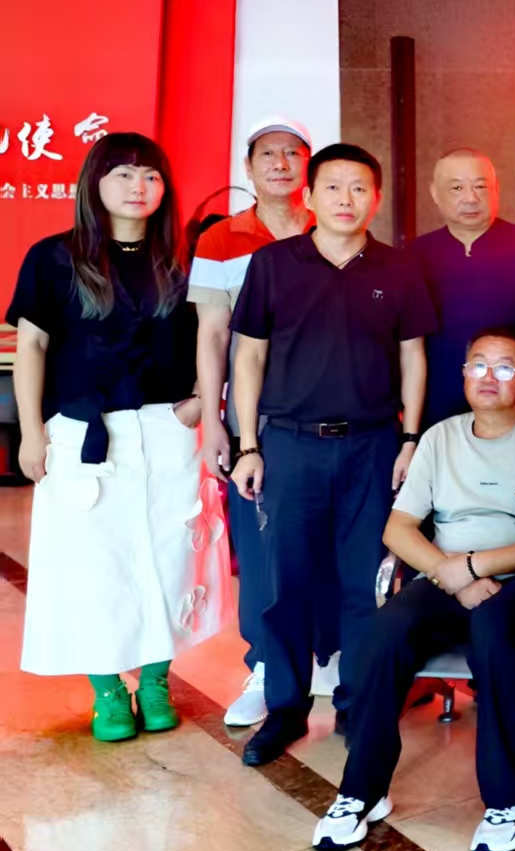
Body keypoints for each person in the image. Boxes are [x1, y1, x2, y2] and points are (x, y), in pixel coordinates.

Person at [229, 143, 438, 767]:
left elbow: (412, 357)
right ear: (310, 196)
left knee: (364, 584)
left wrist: (410, 440)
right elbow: (249, 357)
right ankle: (285, 707)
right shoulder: (273, 264)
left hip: (372, 445)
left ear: (376, 198)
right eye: (333, 187)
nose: (346, 200)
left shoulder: (398, 269)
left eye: (359, 188)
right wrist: (248, 444)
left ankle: (356, 704)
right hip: (289, 444)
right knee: (285, 583)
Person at [312, 325, 515, 851]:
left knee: (495, 640)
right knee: (380, 636)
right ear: (462, 374)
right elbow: (397, 529)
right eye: (478, 364)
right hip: (444, 577)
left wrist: (473, 567)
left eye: (505, 367)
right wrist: (449, 572)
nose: (489, 377)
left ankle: (511, 799)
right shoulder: (440, 438)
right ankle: (361, 792)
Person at [9, 133, 203, 741]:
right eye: (123, 174)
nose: (138, 187)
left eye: (151, 176)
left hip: (166, 428)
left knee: (171, 557)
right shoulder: (55, 257)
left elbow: (215, 338)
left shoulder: (183, 261)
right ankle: (108, 691)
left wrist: (201, 402)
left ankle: (156, 679)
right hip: (82, 432)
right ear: (94, 183)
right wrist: (31, 432)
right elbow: (32, 346)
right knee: (94, 563)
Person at [188, 117, 315, 727]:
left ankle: (332, 663)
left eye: (293, 153)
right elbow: (212, 334)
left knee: (334, 541)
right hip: (254, 417)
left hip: (336, 411)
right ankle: (265, 665)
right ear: (249, 167)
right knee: (261, 543)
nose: (281, 163)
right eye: (269, 154)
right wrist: (215, 421)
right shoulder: (221, 239)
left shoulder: (334, 223)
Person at [413, 149, 515, 427]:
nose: (470, 198)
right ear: (435, 193)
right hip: (436, 405)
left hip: (514, 403)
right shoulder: (415, 256)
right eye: (457, 188)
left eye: (480, 186)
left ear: (496, 189)